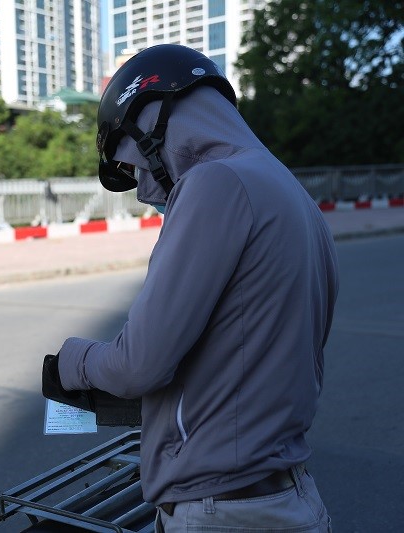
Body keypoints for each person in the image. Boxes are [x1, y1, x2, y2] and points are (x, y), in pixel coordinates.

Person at [52, 44, 337, 531]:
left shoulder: (214, 184)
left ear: (155, 121)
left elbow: (138, 365)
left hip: (224, 508)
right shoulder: (290, 190)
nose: (143, 188)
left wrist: (71, 361)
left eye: (134, 160)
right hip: (286, 491)